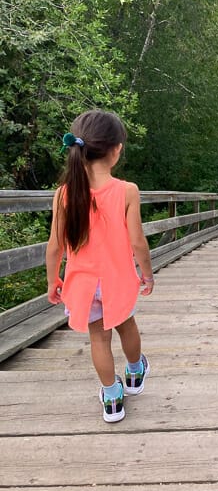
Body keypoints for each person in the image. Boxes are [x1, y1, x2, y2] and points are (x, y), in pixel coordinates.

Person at [45, 110, 154, 423]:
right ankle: (134, 374)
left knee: (99, 339)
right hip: (118, 280)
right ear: (116, 149)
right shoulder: (126, 191)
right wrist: (146, 274)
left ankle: (111, 396)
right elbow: (138, 243)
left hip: (83, 283)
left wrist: (53, 281)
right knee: (126, 324)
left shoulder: (63, 193)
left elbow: (55, 246)